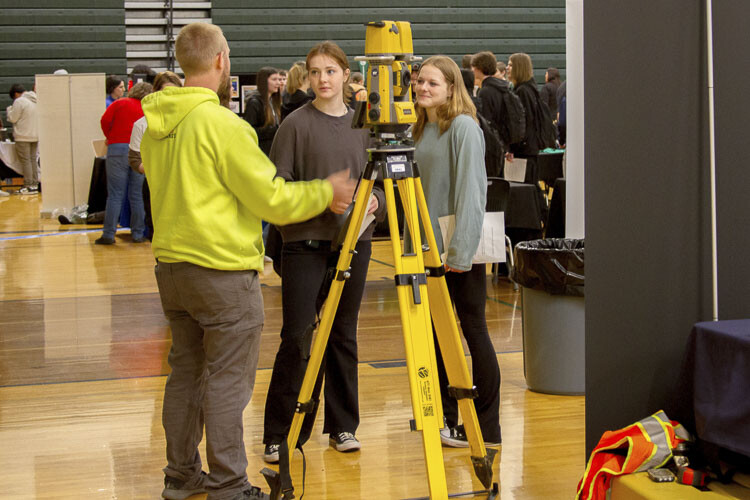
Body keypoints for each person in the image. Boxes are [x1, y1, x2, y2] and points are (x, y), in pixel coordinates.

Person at [139, 22, 355, 500]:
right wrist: (328, 191)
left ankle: (180, 476)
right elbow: (272, 199)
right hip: (220, 272)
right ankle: (230, 484)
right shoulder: (222, 126)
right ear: (221, 60)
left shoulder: (154, 128)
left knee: (186, 374)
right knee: (227, 384)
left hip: (171, 270)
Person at [261, 40, 385, 465]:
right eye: (315, 71)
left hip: (355, 244)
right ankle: (281, 432)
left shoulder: (364, 125)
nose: (323, 79)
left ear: (347, 76)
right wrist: (321, 199)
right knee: (297, 337)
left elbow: (382, 183)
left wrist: (375, 203)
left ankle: (343, 425)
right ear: (307, 77)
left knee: (342, 335)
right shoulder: (294, 125)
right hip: (303, 246)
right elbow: (278, 187)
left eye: (330, 71)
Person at [412, 55, 502, 448]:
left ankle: (486, 425)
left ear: (452, 88)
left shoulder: (464, 127)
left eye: (432, 83)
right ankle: (447, 419)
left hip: (454, 253)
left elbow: (472, 193)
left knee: (472, 331)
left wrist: (460, 254)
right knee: (433, 335)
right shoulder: (421, 129)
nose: (423, 88)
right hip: (426, 250)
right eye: (419, 82)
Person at [96, 82, 152, 245]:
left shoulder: (120, 103)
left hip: (117, 149)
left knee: (115, 194)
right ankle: (138, 234)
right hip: (139, 151)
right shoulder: (147, 109)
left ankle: (108, 234)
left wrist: (110, 136)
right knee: (136, 195)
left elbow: (104, 121)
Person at [128, 71, 182, 240]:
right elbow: (135, 159)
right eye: (165, 91)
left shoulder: (189, 121)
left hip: (184, 186)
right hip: (155, 187)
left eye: (174, 91)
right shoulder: (142, 124)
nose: (169, 96)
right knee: (158, 234)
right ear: (156, 92)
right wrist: (155, 168)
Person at [506, 52, 542, 183]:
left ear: (519, 67)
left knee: (524, 188)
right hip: (528, 148)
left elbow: (522, 123)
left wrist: (513, 147)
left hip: (524, 151)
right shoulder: (529, 89)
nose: (507, 68)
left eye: (510, 65)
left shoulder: (522, 91)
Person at [6, 83, 39, 194]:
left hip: (23, 136)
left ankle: (29, 185)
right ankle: (35, 184)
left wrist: (9, 109)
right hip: (35, 135)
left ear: (15, 94)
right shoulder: (35, 99)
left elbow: (13, 118)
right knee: (32, 160)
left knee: (26, 161)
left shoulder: (19, 101)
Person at [243, 67, 282, 155]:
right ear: (264, 81)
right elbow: (250, 131)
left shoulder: (273, 101)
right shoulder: (254, 103)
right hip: (261, 153)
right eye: (274, 79)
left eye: (279, 79)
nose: (278, 83)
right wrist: (274, 131)